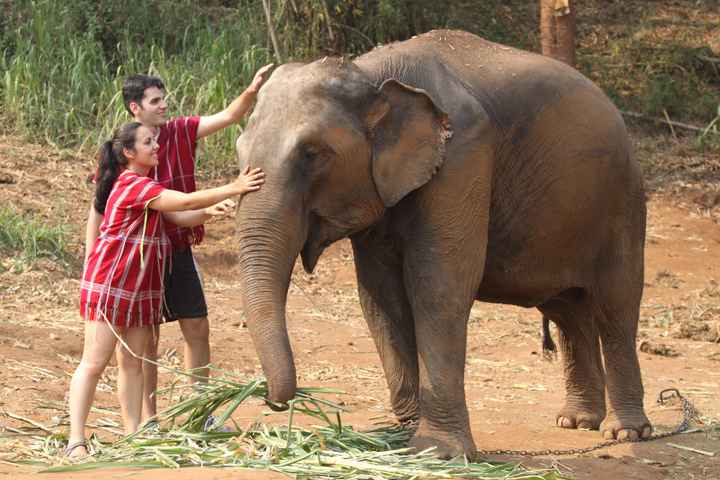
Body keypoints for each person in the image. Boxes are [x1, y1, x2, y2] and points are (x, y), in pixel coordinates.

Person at [84, 64, 273, 424]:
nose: (164, 106)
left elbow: (231, 115)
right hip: (136, 260)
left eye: (163, 98)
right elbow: (98, 209)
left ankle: (198, 412)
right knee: (145, 341)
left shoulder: (180, 131)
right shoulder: (124, 151)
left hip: (176, 248)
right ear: (135, 108)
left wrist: (251, 90)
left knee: (197, 324)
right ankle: (148, 419)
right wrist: (93, 260)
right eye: (156, 101)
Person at [67, 122, 264, 458]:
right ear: (129, 153)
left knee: (133, 362)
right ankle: (76, 441)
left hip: (142, 289)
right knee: (94, 363)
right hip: (112, 285)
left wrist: (211, 212)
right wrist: (233, 187)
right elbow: (185, 199)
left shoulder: (147, 186)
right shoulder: (131, 184)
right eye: (148, 142)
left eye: (155, 140)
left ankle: (133, 437)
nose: (156, 146)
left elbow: (181, 215)